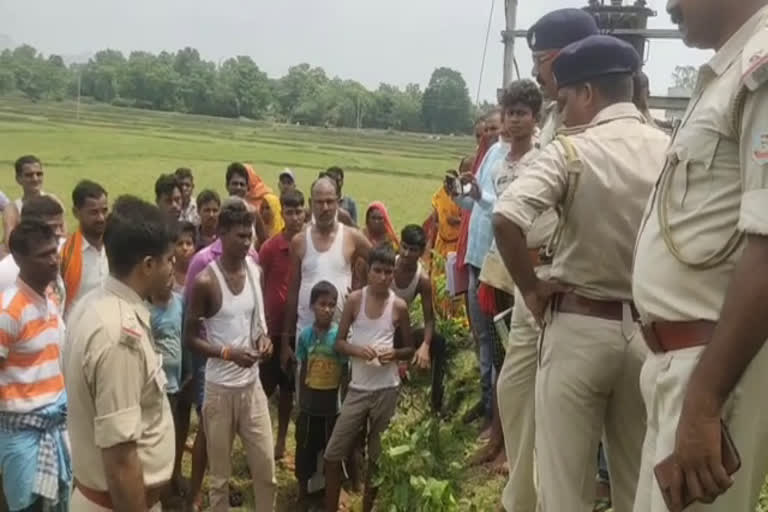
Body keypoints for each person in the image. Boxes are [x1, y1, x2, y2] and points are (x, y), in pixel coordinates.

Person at [493, 35, 669, 512]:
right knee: (636, 485)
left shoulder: (572, 150)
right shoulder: (669, 150)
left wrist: (529, 289)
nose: (563, 113)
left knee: (563, 487)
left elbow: (506, 217)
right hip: (647, 336)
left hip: (578, 327)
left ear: (588, 93)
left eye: (566, 99)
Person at [632, 1, 768, 511]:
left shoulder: (761, 66)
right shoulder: (724, 75)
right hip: (683, 370)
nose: (669, 5)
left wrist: (706, 400)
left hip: (714, 369)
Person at [494, 10, 599, 512]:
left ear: (568, 58)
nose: (536, 73)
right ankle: (521, 498)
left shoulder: (595, 119)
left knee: (564, 412)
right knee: (513, 389)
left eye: (540, 61)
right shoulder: (555, 118)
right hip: (533, 281)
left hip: (571, 285)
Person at [64, 196, 176, 512]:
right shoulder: (118, 336)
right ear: (148, 265)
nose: (173, 268)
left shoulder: (93, 304)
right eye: (169, 260)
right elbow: (120, 458)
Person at [184, 198, 276, 512]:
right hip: (219, 391)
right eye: (240, 236)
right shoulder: (205, 281)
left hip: (252, 388)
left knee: (266, 472)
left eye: (249, 236)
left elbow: (259, 326)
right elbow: (190, 338)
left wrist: (264, 342)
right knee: (219, 479)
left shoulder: (254, 272)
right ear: (221, 234)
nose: (247, 242)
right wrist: (227, 353)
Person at [324, 245, 414, 512]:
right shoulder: (355, 301)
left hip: (386, 389)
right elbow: (338, 343)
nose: (383, 277)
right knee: (332, 454)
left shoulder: (398, 306)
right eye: (378, 271)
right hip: (358, 388)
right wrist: (358, 350)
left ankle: (367, 506)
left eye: (389, 272)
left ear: (394, 274)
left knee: (377, 458)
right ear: (368, 271)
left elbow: (409, 348)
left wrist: (395, 353)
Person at [0, 220, 71, 512]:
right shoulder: (8, 312)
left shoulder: (50, 299)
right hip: (21, 432)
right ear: (18, 259)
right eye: (44, 255)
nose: (54, 260)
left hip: (54, 423)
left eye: (54, 251)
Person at [280, 176, 372, 372]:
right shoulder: (299, 241)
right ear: (311, 204)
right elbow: (292, 293)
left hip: (341, 334)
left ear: (338, 202)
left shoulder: (351, 236)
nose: (325, 207)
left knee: (339, 394)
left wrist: (362, 293)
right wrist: (285, 342)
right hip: (306, 333)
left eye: (330, 201)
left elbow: (379, 262)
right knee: (306, 393)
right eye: (319, 202)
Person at [453, 107, 505, 427]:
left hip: (495, 265)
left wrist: (482, 196)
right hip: (475, 260)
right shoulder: (490, 155)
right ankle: (486, 402)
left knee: (497, 343)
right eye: (486, 129)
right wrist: (458, 195)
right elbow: (474, 203)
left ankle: (494, 414)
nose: (490, 134)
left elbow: (507, 207)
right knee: (480, 338)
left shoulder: (522, 161)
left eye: (495, 128)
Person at [258, 189, 306, 461]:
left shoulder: (310, 246)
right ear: (283, 214)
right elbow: (261, 283)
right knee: (264, 387)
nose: (295, 217)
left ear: (305, 213)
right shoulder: (270, 248)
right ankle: (262, 440)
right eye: (290, 212)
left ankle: (280, 443)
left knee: (288, 390)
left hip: (298, 329)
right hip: (272, 328)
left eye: (299, 211)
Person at [294, 281, 345, 508]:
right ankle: (302, 494)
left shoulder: (339, 338)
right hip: (308, 406)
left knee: (331, 454)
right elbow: (303, 368)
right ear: (312, 306)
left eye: (332, 305)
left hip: (330, 409)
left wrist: (343, 403)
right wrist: (300, 400)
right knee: (304, 449)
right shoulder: (304, 336)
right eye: (322, 304)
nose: (327, 309)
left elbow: (344, 372)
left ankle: (330, 496)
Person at [392, 225, 446, 412]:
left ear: (421, 252)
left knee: (439, 342)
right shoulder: (388, 266)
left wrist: (425, 346)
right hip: (376, 327)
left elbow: (429, 319)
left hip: (398, 332)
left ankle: (436, 406)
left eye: (412, 250)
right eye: (404, 247)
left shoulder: (421, 279)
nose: (406, 253)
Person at [147, 264, 187, 502]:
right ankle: (161, 491)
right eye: (165, 276)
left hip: (179, 382)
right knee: (161, 439)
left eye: (173, 275)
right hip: (159, 387)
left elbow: (183, 337)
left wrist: (189, 372)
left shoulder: (180, 303)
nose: (170, 280)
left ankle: (175, 475)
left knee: (178, 432)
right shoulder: (146, 311)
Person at [0, 197, 66, 304]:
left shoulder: (59, 252)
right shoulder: (5, 272)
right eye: (52, 227)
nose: (59, 232)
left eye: (60, 226)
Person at [60, 180, 109, 316]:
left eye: (104, 211)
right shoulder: (64, 255)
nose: (101, 218)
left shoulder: (117, 247)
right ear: (76, 213)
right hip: (78, 332)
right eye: (93, 212)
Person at [225, 163, 268, 248]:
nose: (238, 187)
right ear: (227, 186)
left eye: (242, 184)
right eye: (235, 184)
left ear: (247, 189)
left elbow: (265, 241)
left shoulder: (253, 212)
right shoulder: (220, 211)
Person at [430, 173, 462, 258]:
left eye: (450, 182)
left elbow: (469, 220)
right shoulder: (438, 196)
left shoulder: (462, 198)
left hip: (455, 244)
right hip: (441, 242)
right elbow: (435, 218)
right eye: (445, 181)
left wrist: (457, 220)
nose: (446, 185)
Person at [173, 221, 196, 293]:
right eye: (180, 244)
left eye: (188, 244)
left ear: (195, 247)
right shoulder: (167, 274)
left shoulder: (199, 271)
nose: (185, 248)